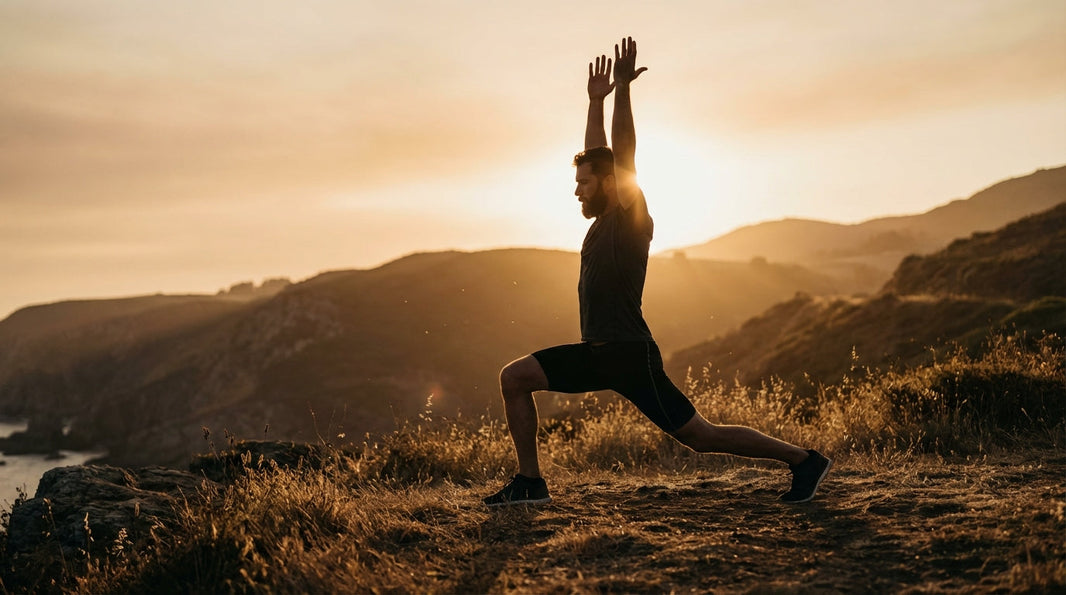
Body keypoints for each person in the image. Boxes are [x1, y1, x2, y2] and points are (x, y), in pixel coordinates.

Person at [483, 37, 831, 507]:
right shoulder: (603, 221)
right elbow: (600, 154)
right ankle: (530, 483)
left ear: (610, 184)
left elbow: (622, 156)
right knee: (514, 377)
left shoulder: (630, 218)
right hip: (597, 351)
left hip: (629, 355)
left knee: (701, 436)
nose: (576, 191)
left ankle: (803, 460)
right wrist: (595, 101)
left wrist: (624, 90)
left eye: (583, 183)